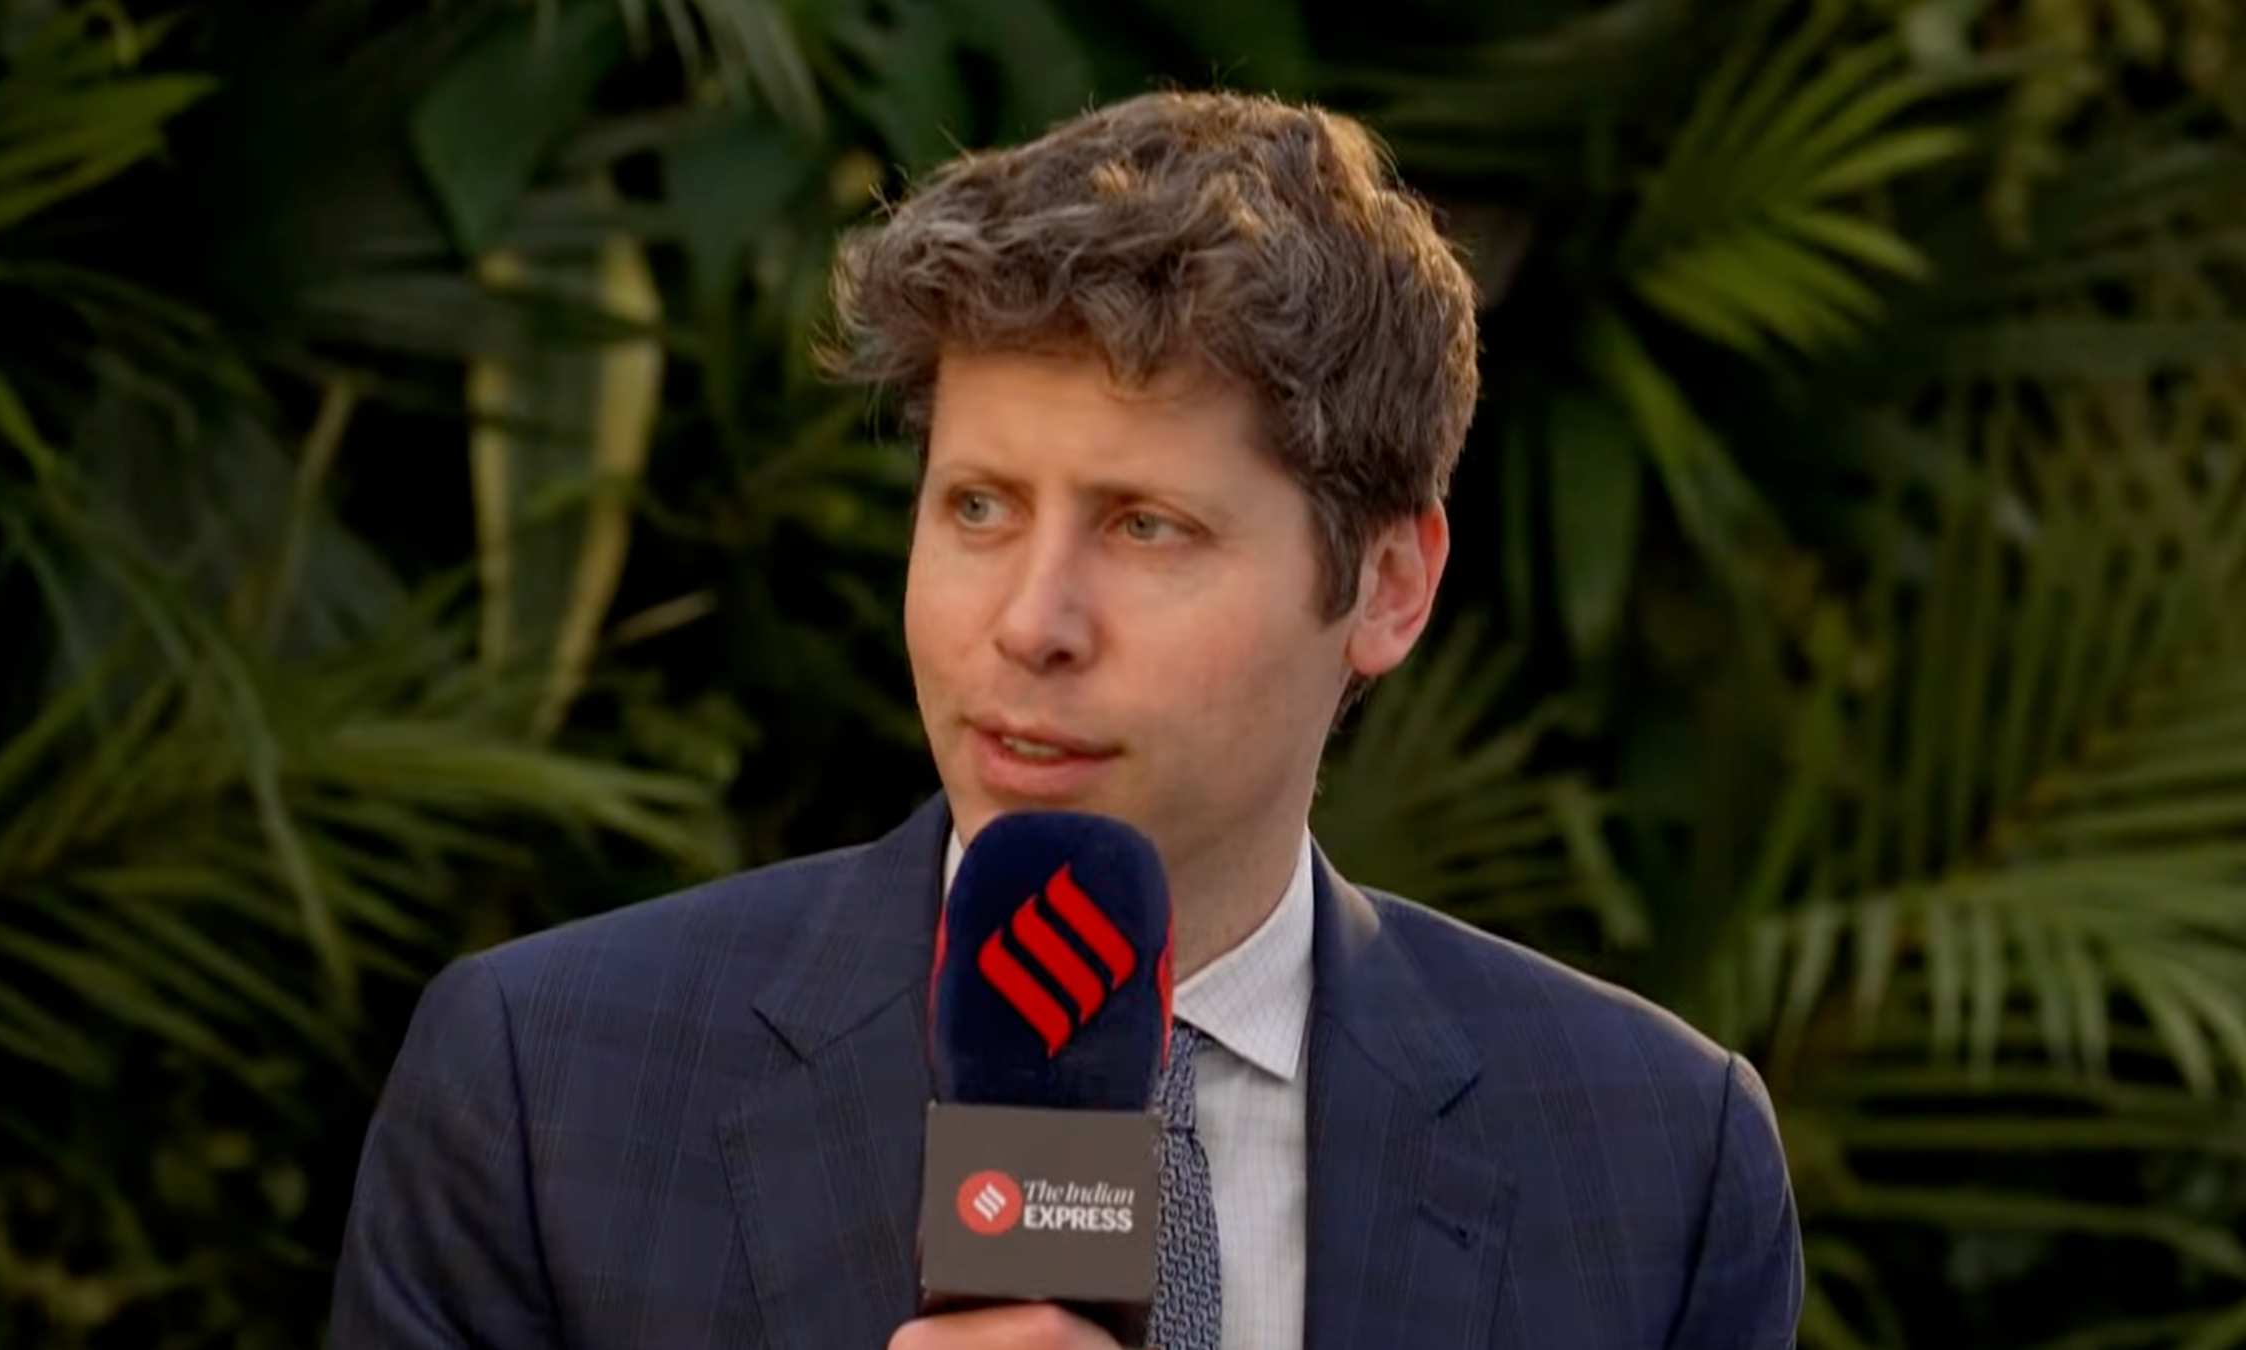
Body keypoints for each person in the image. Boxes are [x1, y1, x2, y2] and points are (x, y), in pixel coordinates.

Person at [327, 90, 1804, 1350]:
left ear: (1389, 583)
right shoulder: (545, 1093)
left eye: (1146, 527)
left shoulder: (1657, 1164)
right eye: (978, 506)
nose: (1029, 620)